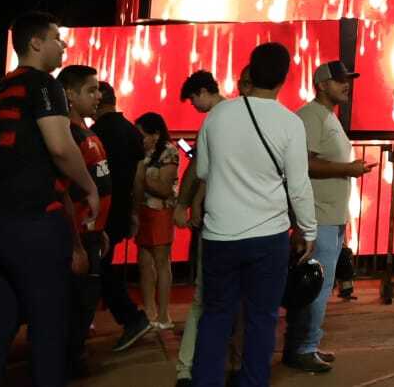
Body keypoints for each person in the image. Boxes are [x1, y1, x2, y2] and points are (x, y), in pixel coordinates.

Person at [0, 12, 99, 387]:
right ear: (36, 43)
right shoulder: (43, 84)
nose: (63, 45)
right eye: (57, 37)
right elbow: (60, 147)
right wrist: (89, 187)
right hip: (32, 223)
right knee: (48, 327)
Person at [192, 42, 315, 387]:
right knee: (262, 318)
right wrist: (308, 230)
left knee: (216, 315)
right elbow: (298, 186)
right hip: (268, 236)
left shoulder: (218, 115)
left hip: (219, 235)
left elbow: (203, 170)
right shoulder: (290, 123)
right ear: (284, 78)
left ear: (250, 69)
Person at [285, 60, 375, 372]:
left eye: (348, 79)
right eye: (339, 80)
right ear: (322, 85)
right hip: (318, 217)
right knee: (315, 285)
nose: (346, 85)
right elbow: (303, 163)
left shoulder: (326, 116)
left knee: (317, 285)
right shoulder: (311, 116)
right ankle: (303, 348)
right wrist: (348, 169)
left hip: (329, 216)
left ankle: (306, 343)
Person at [173, 70, 231, 387]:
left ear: (202, 92)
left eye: (193, 99)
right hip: (240, 222)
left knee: (202, 298)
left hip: (215, 222)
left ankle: (188, 367)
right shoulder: (235, 114)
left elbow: (201, 168)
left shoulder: (214, 120)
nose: (194, 106)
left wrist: (189, 202)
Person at [59, 64, 114, 375]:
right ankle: (67, 363)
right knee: (76, 303)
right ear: (70, 94)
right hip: (78, 235)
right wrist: (76, 244)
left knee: (86, 301)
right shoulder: (68, 134)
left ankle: (73, 357)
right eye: (91, 90)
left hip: (92, 233)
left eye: (98, 90)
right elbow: (65, 192)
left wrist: (100, 228)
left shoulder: (87, 131)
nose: (98, 96)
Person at [93, 82, 154, 352]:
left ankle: (131, 318)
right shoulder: (131, 131)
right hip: (121, 209)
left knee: (99, 268)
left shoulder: (96, 133)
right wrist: (134, 212)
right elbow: (138, 178)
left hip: (100, 211)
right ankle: (130, 318)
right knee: (102, 267)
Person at [133, 111, 180, 332]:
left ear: (156, 134)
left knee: (161, 261)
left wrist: (142, 177)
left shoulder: (169, 152)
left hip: (160, 211)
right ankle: (149, 312)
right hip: (142, 210)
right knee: (144, 262)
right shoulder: (140, 153)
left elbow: (164, 189)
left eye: (142, 134)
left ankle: (163, 314)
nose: (139, 139)